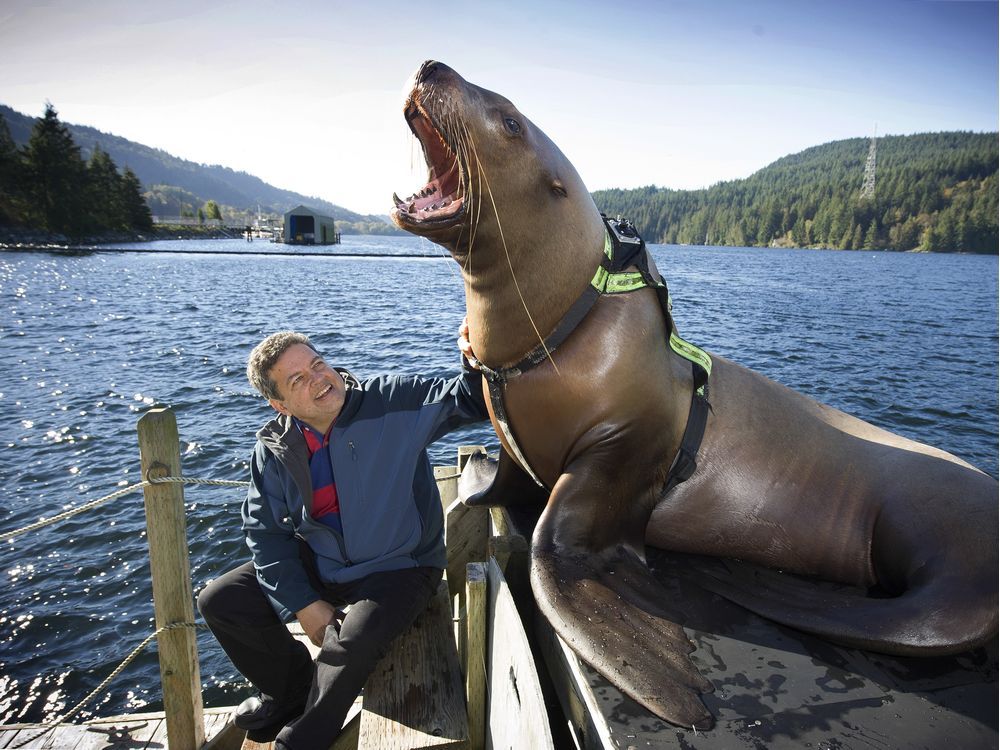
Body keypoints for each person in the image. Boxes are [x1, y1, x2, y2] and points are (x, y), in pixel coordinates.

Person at [198, 323, 487, 749]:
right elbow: (266, 534)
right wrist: (303, 603)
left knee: (351, 642)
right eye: (298, 379)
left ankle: (296, 742)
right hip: (325, 561)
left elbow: (470, 401)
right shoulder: (275, 447)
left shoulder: (392, 401)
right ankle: (288, 689)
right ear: (279, 404)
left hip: (402, 566)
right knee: (220, 599)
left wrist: (474, 358)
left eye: (318, 364)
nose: (319, 379)